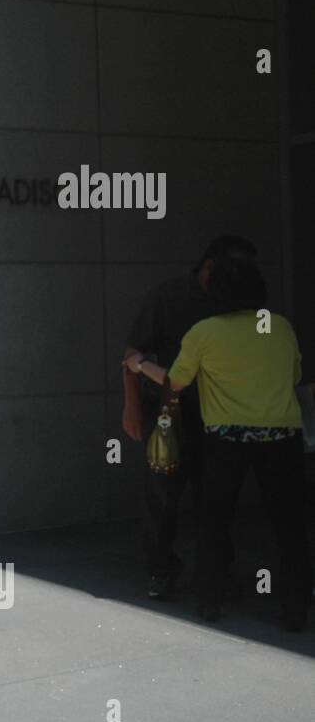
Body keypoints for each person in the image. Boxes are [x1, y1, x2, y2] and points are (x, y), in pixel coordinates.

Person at [127, 257, 308, 631]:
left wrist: (139, 364)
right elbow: (295, 375)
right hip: (281, 436)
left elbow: (173, 383)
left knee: (215, 521)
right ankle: (295, 611)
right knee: (289, 527)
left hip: (226, 440)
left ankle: (211, 602)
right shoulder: (278, 326)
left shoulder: (204, 332)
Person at [121, 235, 257, 599]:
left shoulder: (239, 302)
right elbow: (134, 353)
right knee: (162, 494)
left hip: (218, 412)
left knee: (215, 494)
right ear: (210, 266)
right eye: (235, 269)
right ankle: (160, 569)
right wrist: (131, 406)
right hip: (169, 410)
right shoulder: (169, 296)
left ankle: (215, 572)